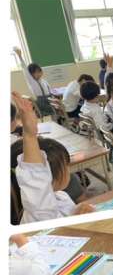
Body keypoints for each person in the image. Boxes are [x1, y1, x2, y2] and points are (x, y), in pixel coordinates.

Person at [10, 92, 94, 224]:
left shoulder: (61, 195)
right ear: (48, 177)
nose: (69, 170)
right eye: (65, 166)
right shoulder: (39, 211)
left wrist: (77, 211)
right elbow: (35, 178)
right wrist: (30, 134)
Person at [13, 47, 54, 116]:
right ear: (31, 74)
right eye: (35, 72)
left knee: (59, 105)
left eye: (39, 71)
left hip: (49, 100)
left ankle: (59, 118)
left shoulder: (44, 81)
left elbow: (50, 91)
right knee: (59, 108)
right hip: (42, 104)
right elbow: (25, 70)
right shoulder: (32, 82)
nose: (38, 74)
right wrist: (20, 57)